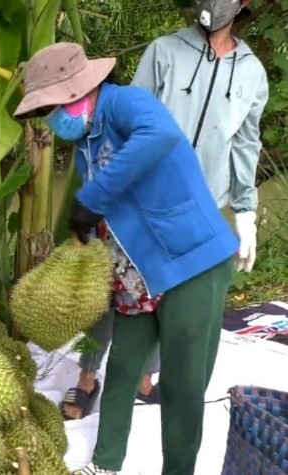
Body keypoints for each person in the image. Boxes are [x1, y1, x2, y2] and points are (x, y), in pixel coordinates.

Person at [12, 42, 239, 475]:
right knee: (120, 371)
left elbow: (161, 136)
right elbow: (113, 209)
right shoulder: (84, 143)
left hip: (191, 262)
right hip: (137, 276)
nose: (52, 120)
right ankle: (105, 464)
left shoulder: (125, 103)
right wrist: (86, 234)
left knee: (183, 386)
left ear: (80, 91)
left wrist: (92, 197)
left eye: (53, 108)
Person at [59, 0, 269, 421]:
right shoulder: (164, 52)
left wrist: (246, 211)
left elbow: (246, 144)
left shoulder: (252, 72)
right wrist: (100, 191)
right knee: (103, 298)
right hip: (134, 204)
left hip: (198, 208)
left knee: (166, 297)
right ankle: (86, 375)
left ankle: (144, 376)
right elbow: (121, 125)